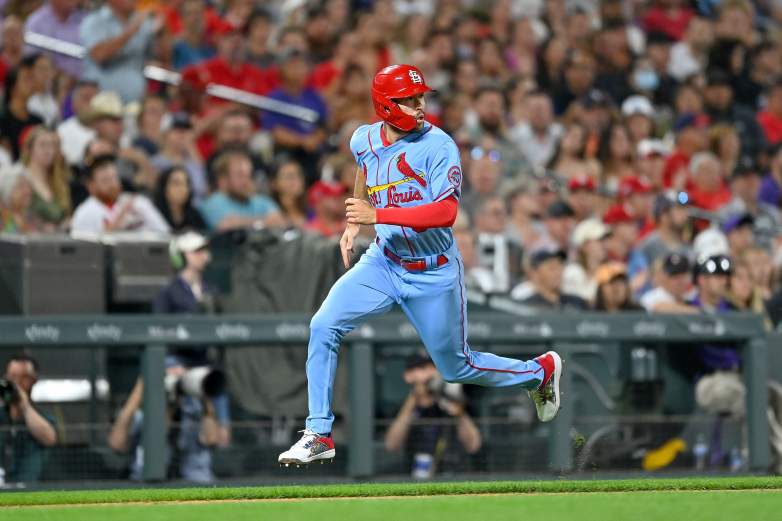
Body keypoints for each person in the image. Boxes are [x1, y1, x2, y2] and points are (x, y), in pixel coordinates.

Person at [278, 65, 564, 466]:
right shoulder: (363, 138)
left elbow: (445, 212)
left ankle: (539, 372)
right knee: (323, 325)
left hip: (434, 271)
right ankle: (318, 434)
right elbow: (364, 166)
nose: (419, 106)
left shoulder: (438, 145)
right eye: (409, 100)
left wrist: (377, 215)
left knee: (455, 367)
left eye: (420, 97)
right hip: (384, 261)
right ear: (384, 105)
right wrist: (354, 221)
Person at [384, 353, 482, 479]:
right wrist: (414, 398)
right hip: (413, 479)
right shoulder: (405, 407)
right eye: (423, 368)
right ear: (409, 376)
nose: (430, 373)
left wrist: (459, 412)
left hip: (452, 477)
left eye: (433, 367)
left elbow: (473, 446)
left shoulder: (449, 403)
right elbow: (392, 445)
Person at [79, 0, 162, 103]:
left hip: (134, 102)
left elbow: (156, 58)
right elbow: (99, 54)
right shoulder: (94, 21)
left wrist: (162, 33)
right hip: (98, 103)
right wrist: (131, 31)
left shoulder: (144, 22)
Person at [70, 154, 170, 234]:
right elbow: (83, 250)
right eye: (106, 180)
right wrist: (115, 225)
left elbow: (165, 234)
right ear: (91, 186)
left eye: (114, 178)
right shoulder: (85, 213)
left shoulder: (139, 202)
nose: (113, 185)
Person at [0, 354, 57, 483]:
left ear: (33, 380)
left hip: (30, 483)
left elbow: (49, 439)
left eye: (23, 377)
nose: (16, 382)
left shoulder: (41, 415)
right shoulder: (2, 413)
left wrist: (24, 405)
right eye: (12, 377)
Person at [199, 150, 282, 231]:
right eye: (240, 175)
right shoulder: (213, 203)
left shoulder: (261, 201)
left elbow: (279, 222)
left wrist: (242, 222)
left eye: (249, 175)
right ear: (222, 180)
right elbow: (226, 226)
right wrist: (265, 221)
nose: (246, 181)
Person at [18, 126, 72, 226]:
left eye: (52, 145)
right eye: (42, 144)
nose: (48, 150)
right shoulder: (20, 177)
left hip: (58, 234)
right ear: (30, 149)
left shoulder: (58, 181)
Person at [24, 0, 87, 79]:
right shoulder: (35, 23)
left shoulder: (86, 19)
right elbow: (30, 62)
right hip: (47, 82)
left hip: (85, 83)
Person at [516, 247, 589, 311]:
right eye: (552, 268)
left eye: (560, 266)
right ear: (534, 273)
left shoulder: (577, 302)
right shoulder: (527, 306)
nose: (558, 273)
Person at [153, 166, 207, 232]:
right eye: (177, 184)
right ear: (164, 187)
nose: (183, 189)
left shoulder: (194, 215)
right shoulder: (154, 213)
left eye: (186, 184)